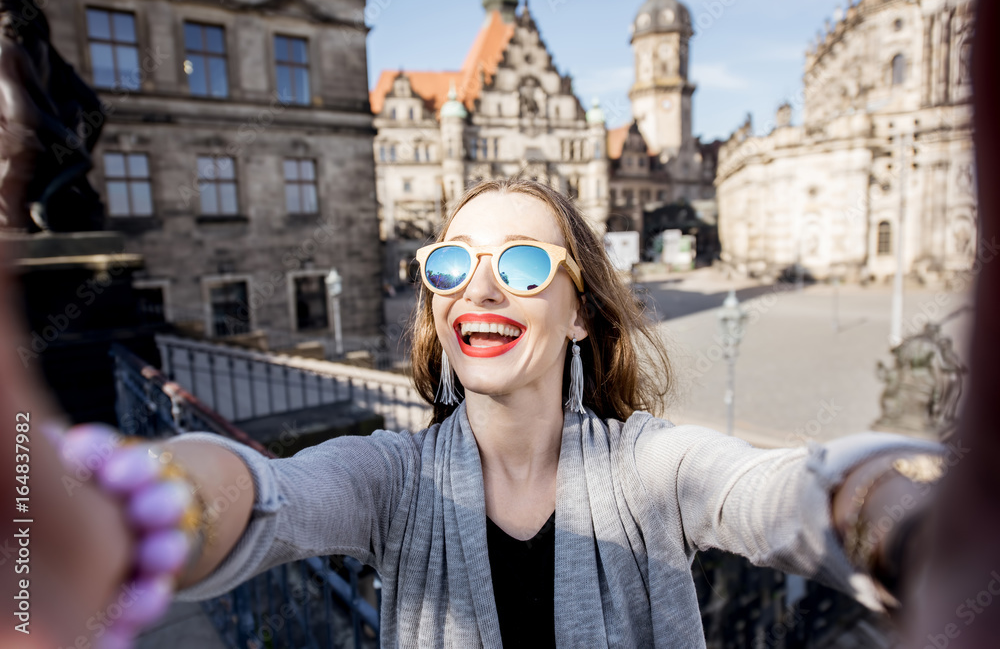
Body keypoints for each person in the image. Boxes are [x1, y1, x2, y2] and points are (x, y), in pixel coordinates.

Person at [8, 178, 946, 648]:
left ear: (579, 309)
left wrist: (911, 523)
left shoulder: (651, 467)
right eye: (451, 265)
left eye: (526, 264)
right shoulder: (392, 476)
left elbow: (778, 491)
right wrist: (147, 501)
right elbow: (267, 494)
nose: (480, 287)